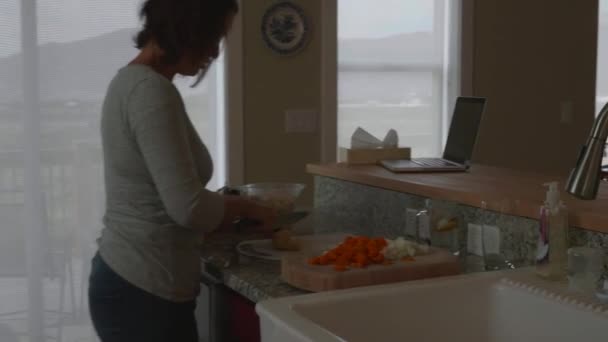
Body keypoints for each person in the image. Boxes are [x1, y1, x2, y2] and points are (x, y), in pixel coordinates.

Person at [88, 1, 276, 341]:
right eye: (213, 35)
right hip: (143, 288)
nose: (215, 52)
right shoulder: (150, 92)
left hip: (134, 280)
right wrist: (248, 208)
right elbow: (188, 208)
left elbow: (164, 194)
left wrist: (224, 207)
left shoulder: (134, 82)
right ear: (186, 27)